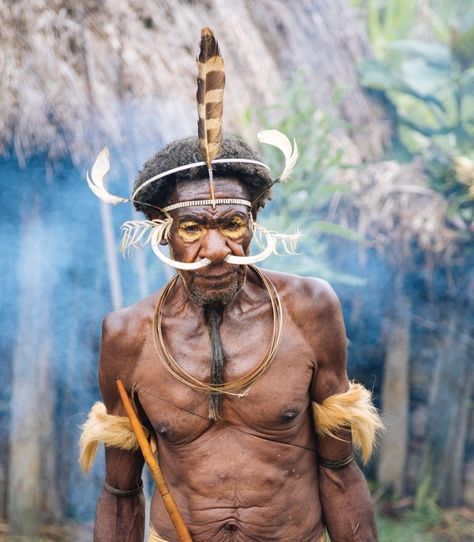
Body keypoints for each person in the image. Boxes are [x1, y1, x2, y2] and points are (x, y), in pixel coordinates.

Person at [80, 28, 383, 542]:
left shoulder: (310, 310)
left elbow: (338, 470)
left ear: (254, 224)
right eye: (194, 229)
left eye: (233, 226)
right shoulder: (128, 336)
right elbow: (121, 494)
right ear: (164, 233)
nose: (217, 249)